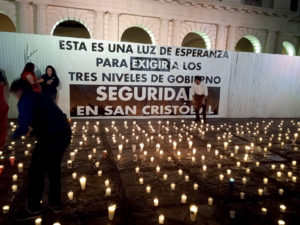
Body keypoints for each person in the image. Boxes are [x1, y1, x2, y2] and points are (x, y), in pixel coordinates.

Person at [10, 79, 71, 221]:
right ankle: (55, 204)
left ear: (19, 91)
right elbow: (47, 115)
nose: (16, 96)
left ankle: (34, 209)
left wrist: (14, 135)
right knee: (54, 169)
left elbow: (23, 126)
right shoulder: (40, 96)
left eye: (15, 93)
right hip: (63, 134)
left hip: (50, 138)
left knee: (36, 173)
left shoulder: (25, 100)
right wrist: (34, 131)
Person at [0, 71, 9, 150]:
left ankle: (2, 143)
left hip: (2, 105)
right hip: (3, 105)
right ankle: (2, 143)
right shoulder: (3, 84)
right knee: (2, 125)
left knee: (2, 124)